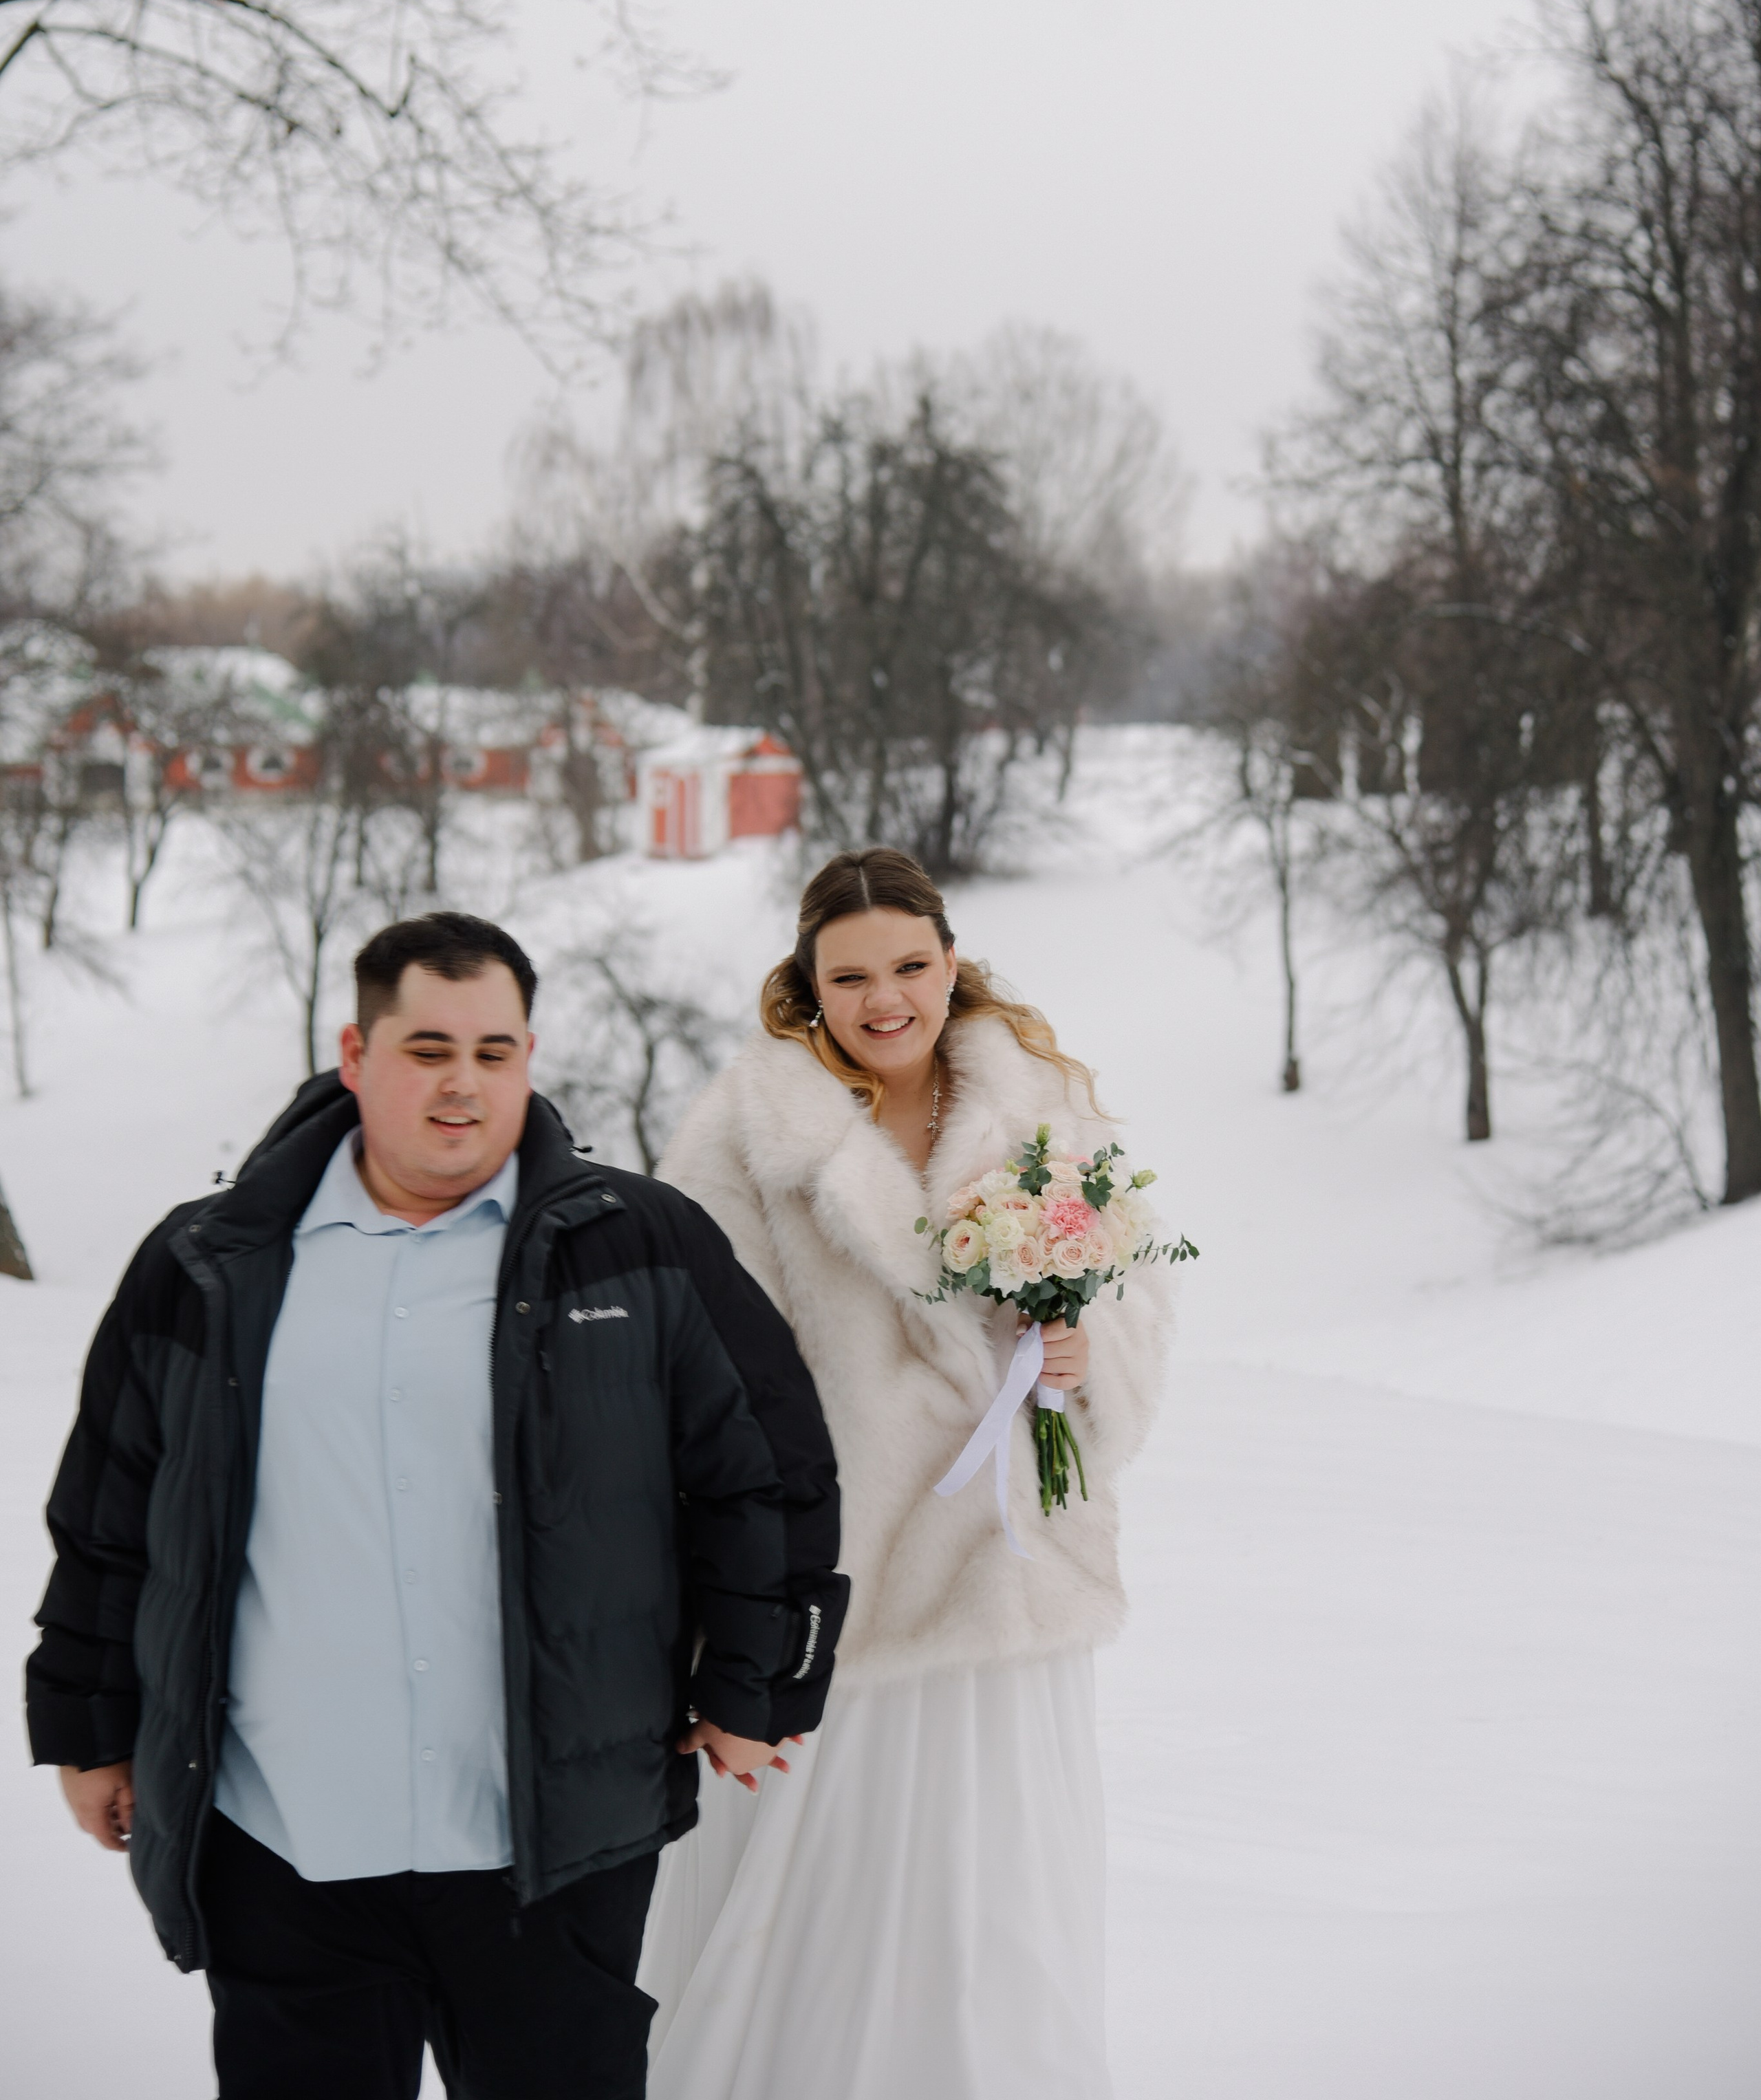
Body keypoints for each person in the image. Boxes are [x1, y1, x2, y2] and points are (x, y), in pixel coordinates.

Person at [25, 909, 845, 2100]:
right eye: (427, 1051)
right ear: (356, 1056)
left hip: (552, 1844)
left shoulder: (641, 1246)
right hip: (285, 1839)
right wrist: (90, 1723)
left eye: (495, 1051)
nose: (463, 1085)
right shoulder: (206, 1264)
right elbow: (110, 1509)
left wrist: (756, 1685)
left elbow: (769, 1471)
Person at [641, 847, 1170, 2099]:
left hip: (1015, 1577)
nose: (888, 1000)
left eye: (912, 967)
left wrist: (1087, 1353)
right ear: (807, 986)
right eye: (852, 976)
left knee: (999, 1911)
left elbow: (1144, 1304)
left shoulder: (1045, 1111)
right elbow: (693, 1377)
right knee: (829, 1897)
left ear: (951, 962)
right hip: (842, 1591)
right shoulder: (743, 1139)